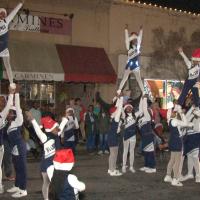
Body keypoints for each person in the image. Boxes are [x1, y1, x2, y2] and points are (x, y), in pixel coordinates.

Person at [25, 112, 69, 200]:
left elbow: (62, 125)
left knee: (58, 182)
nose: (58, 129)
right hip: (46, 163)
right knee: (46, 182)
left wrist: (65, 118)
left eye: (57, 126)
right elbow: (37, 130)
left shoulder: (56, 133)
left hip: (56, 163)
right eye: (55, 127)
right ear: (50, 129)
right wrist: (32, 119)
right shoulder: (44, 137)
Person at [6, 85, 28, 198]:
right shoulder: (10, 124)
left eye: (10, 113)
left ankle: (23, 189)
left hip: (20, 147)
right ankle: (17, 185)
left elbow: (18, 107)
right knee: (17, 168)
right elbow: (9, 105)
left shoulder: (18, 121)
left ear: (14, 114)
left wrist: (17, 94)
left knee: (22, 168)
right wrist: (11, 93)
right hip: (15, 149)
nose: (8, 114)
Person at [164, 106, 193, 187]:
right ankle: (175, 179)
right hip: (177, 142)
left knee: (172, 159)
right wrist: (181, 112)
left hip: (172, 141)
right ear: (172, 113)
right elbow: (185, 123)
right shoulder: (175, 121)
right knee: (177, 161)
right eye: (174, 112)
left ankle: (168, 176)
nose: (175, 112)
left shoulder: (169, 120)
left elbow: (181, 126)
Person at [0, 1, 24, 86]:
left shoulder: (6, 21)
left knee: (8, 65)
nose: (3, 15)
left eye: (4, 14)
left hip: (4, 49)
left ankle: (11, 83)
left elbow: (14, 12)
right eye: (1, 13)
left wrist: (20, 3)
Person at [117, 24, 144, 95]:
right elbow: (126, 39)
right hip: (129, 65)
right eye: (133, 39)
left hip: (136, 66)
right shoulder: (128, 46)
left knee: (139, 80)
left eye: (135, 39)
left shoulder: (137, 47)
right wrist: (126, 30)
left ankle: (144, 92)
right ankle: (119, 90)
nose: (135, 40)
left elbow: (140, 39)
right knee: (124, 78)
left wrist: (141, 31)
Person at [0, 86, 14, 194]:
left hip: (6, 138)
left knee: (8, 156)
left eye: (4, 100)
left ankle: (8, 174)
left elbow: (11, 123)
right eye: (1, 101)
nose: (3, 102)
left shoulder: (7, 111)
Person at [180, 106, 200, 183]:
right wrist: (192, 108)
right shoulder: (192, 115)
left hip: (196, 137)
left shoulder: (198, 118)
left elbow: (197, 128)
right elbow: (186, 119)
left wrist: (197, 114)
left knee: (195, 156)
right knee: (189, 156)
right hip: (189, 137)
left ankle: (198, 175)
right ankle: (190, 173)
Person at [138, 95, 156, 173]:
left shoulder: (147, 117)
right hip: (144, 136)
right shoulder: (141, 118)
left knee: (150, 152)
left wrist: (145, 99)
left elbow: (144, 109)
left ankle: (152, 167)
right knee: (146, 151)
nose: (145, 111)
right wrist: (142, 99)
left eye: (148, 111)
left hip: (148, 136)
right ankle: (146, 166)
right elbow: (141, 108)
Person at [107, 96, 123, 176]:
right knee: (114, 154)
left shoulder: (112, 118)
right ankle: (113, 171)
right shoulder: (116, 118)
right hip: (113, 137)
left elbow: (117, 107)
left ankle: (110, 169)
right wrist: (121, 98)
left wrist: (118, 99)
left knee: (112, 154)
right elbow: (119, 109)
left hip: (111, 137)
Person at [122, 103, 137, 173]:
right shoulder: (123, 115)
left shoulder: (135, 115)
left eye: (130, 107)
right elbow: (120, 109)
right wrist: (120, 98)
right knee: (125, 151)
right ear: (125, 109)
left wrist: (143, 99)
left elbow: (141, 108)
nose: (129, 108)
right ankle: (124, 166)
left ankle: (131, 166)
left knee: (132, 151)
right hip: (126, 135)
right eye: (127, 107)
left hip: (133, 135)